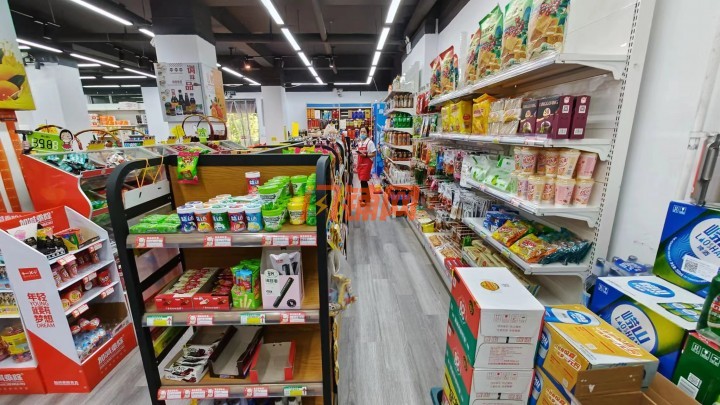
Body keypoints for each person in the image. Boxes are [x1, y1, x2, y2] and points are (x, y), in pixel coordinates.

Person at [355, 127, 376, 207]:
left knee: (363, 181)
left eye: (364, 132)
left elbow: (374, 153)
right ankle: (367, 197)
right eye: (361, 132)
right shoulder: (360, 142)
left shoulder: (370, 143)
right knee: (363, 181)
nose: (362, 133)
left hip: (366, 164)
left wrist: (366, 155)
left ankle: (364, 200)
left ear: (367, 133)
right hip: (361, 164)